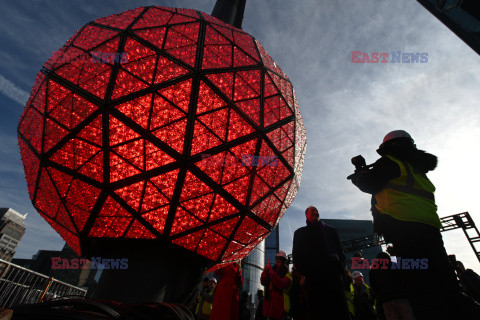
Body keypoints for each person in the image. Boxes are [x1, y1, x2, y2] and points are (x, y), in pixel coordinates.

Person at [350, 130, 480, 319]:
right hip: (430, 230)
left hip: (404, 234)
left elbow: (369, 184)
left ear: (389, 147)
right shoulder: (416, 168)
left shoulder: (390, 162)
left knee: (420, 288)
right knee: (447, 285)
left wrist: (360, 170)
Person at [292, 206, 350, 319]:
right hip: (314, 278)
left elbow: (340, 253)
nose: (315, 212)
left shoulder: (331, 231)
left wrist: (340, 269)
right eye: (312, 211)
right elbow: (297, 255)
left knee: (339, 310)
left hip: (333, 277)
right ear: (306, 215)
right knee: (318, 311)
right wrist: (306, 271)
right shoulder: (300, 233)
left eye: (316, 210)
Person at [369, 251, 415, 320]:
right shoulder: (394, 265)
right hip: (400, 297)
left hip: (385, 301)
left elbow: (373, 286)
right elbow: (404, 279)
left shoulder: (373, 271)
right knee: (408, 316)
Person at [260, 251, 292, 320]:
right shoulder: (272, 272)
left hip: (280, 308)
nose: (277, 264)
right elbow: (263, 282)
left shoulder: (288, 275)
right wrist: (265, 271)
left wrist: (271, 271)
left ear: (283, 262)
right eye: (276, 261)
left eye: (279, 262)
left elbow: (280, 283)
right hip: (270, 308)